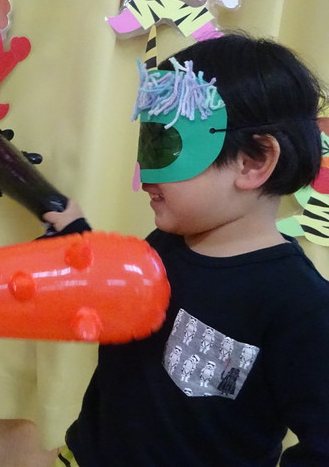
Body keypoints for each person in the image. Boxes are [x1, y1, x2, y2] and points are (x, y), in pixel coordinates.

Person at [43, 33, 329, 466]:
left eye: (166, 146)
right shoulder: (166, 246)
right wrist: (76, 237)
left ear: (253, 162)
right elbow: (115, 303)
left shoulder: (301, 307)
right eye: (147, 143)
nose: (144, 175)